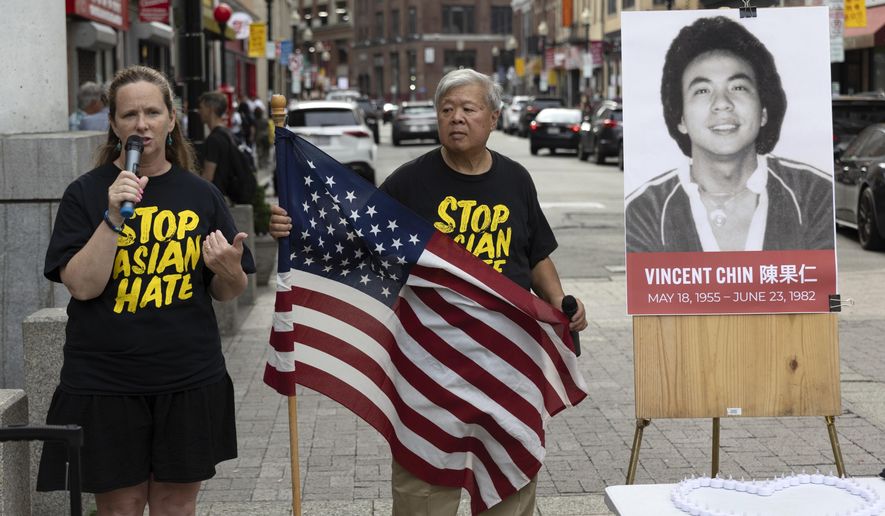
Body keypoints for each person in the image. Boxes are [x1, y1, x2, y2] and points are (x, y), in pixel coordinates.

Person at [269, 68, 587, 516]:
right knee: (423, 494)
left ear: (494, 118)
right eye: (447, 109)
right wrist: (293, 226)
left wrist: (559, 303)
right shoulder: (408, 183)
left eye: (468, 109)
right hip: (430, 367)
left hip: (507, 364)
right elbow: (352, 242)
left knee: (510, 488)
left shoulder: (516, 179)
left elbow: (536, 255)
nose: (456, 118)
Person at [38, 65, 254, 516]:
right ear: (114, 125)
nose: (142, 123)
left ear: (171, 119)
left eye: (152, 112)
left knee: (177, 505)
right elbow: (81, 286)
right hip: (105, 383)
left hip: (188, 377)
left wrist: (229, 269)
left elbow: (228, 291)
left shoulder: (201, 195)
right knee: (121, 507)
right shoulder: (85, 194)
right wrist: (113, 216)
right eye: (130, 114)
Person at [625, 15, 835, 253]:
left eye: (738, 87)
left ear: (763, 111)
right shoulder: (646, 210)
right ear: (681, 118)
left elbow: (818, 287)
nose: (722, 103)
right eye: (702, 90)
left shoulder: (813, 195)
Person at [198, 91, 237, 193]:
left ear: (210, 109)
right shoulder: (227, 134)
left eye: (201, 107)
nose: (199, 111)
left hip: (218, 195)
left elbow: (208, 177)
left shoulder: (213, 139)